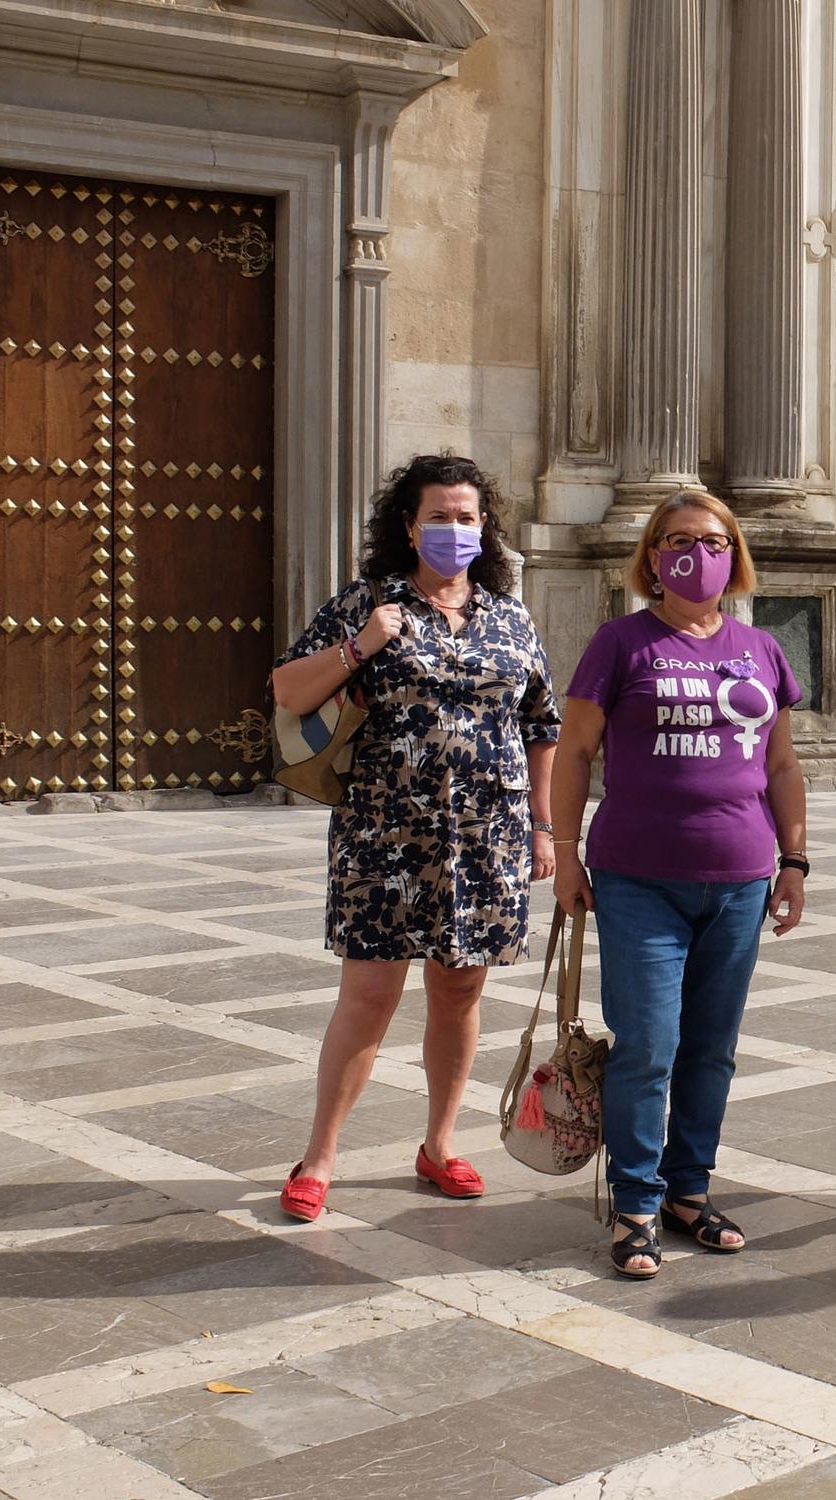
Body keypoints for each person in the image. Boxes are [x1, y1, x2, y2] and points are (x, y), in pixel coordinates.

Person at [269, 454, 560, 1222]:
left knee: (459, 993)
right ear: (408, 525)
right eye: (439, 517)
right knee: (369, 996)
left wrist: (543, 827)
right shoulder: (369, 603)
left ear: (485, 527)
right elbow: (287, 690)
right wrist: (361, 644)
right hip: (383, 835)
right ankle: (319, 1156)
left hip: (487, 838)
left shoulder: (510, 617)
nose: (453, 530)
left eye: (466, 518)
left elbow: (541, 727)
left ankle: (440, 1144)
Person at [550, 489, 807, 1279]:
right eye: (679, 540)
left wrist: (795, 860)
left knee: (711, 1049)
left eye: (715, 540)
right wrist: (565, 853)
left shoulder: (760, 649)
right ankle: (636, 1201)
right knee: (648, 1045)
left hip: (740, 878)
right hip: (638, 879)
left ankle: (687, 1190)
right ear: (654, 557)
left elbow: (782, 766)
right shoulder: (621, 642)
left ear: (735, 554)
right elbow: (575, 751)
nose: (698, 554)